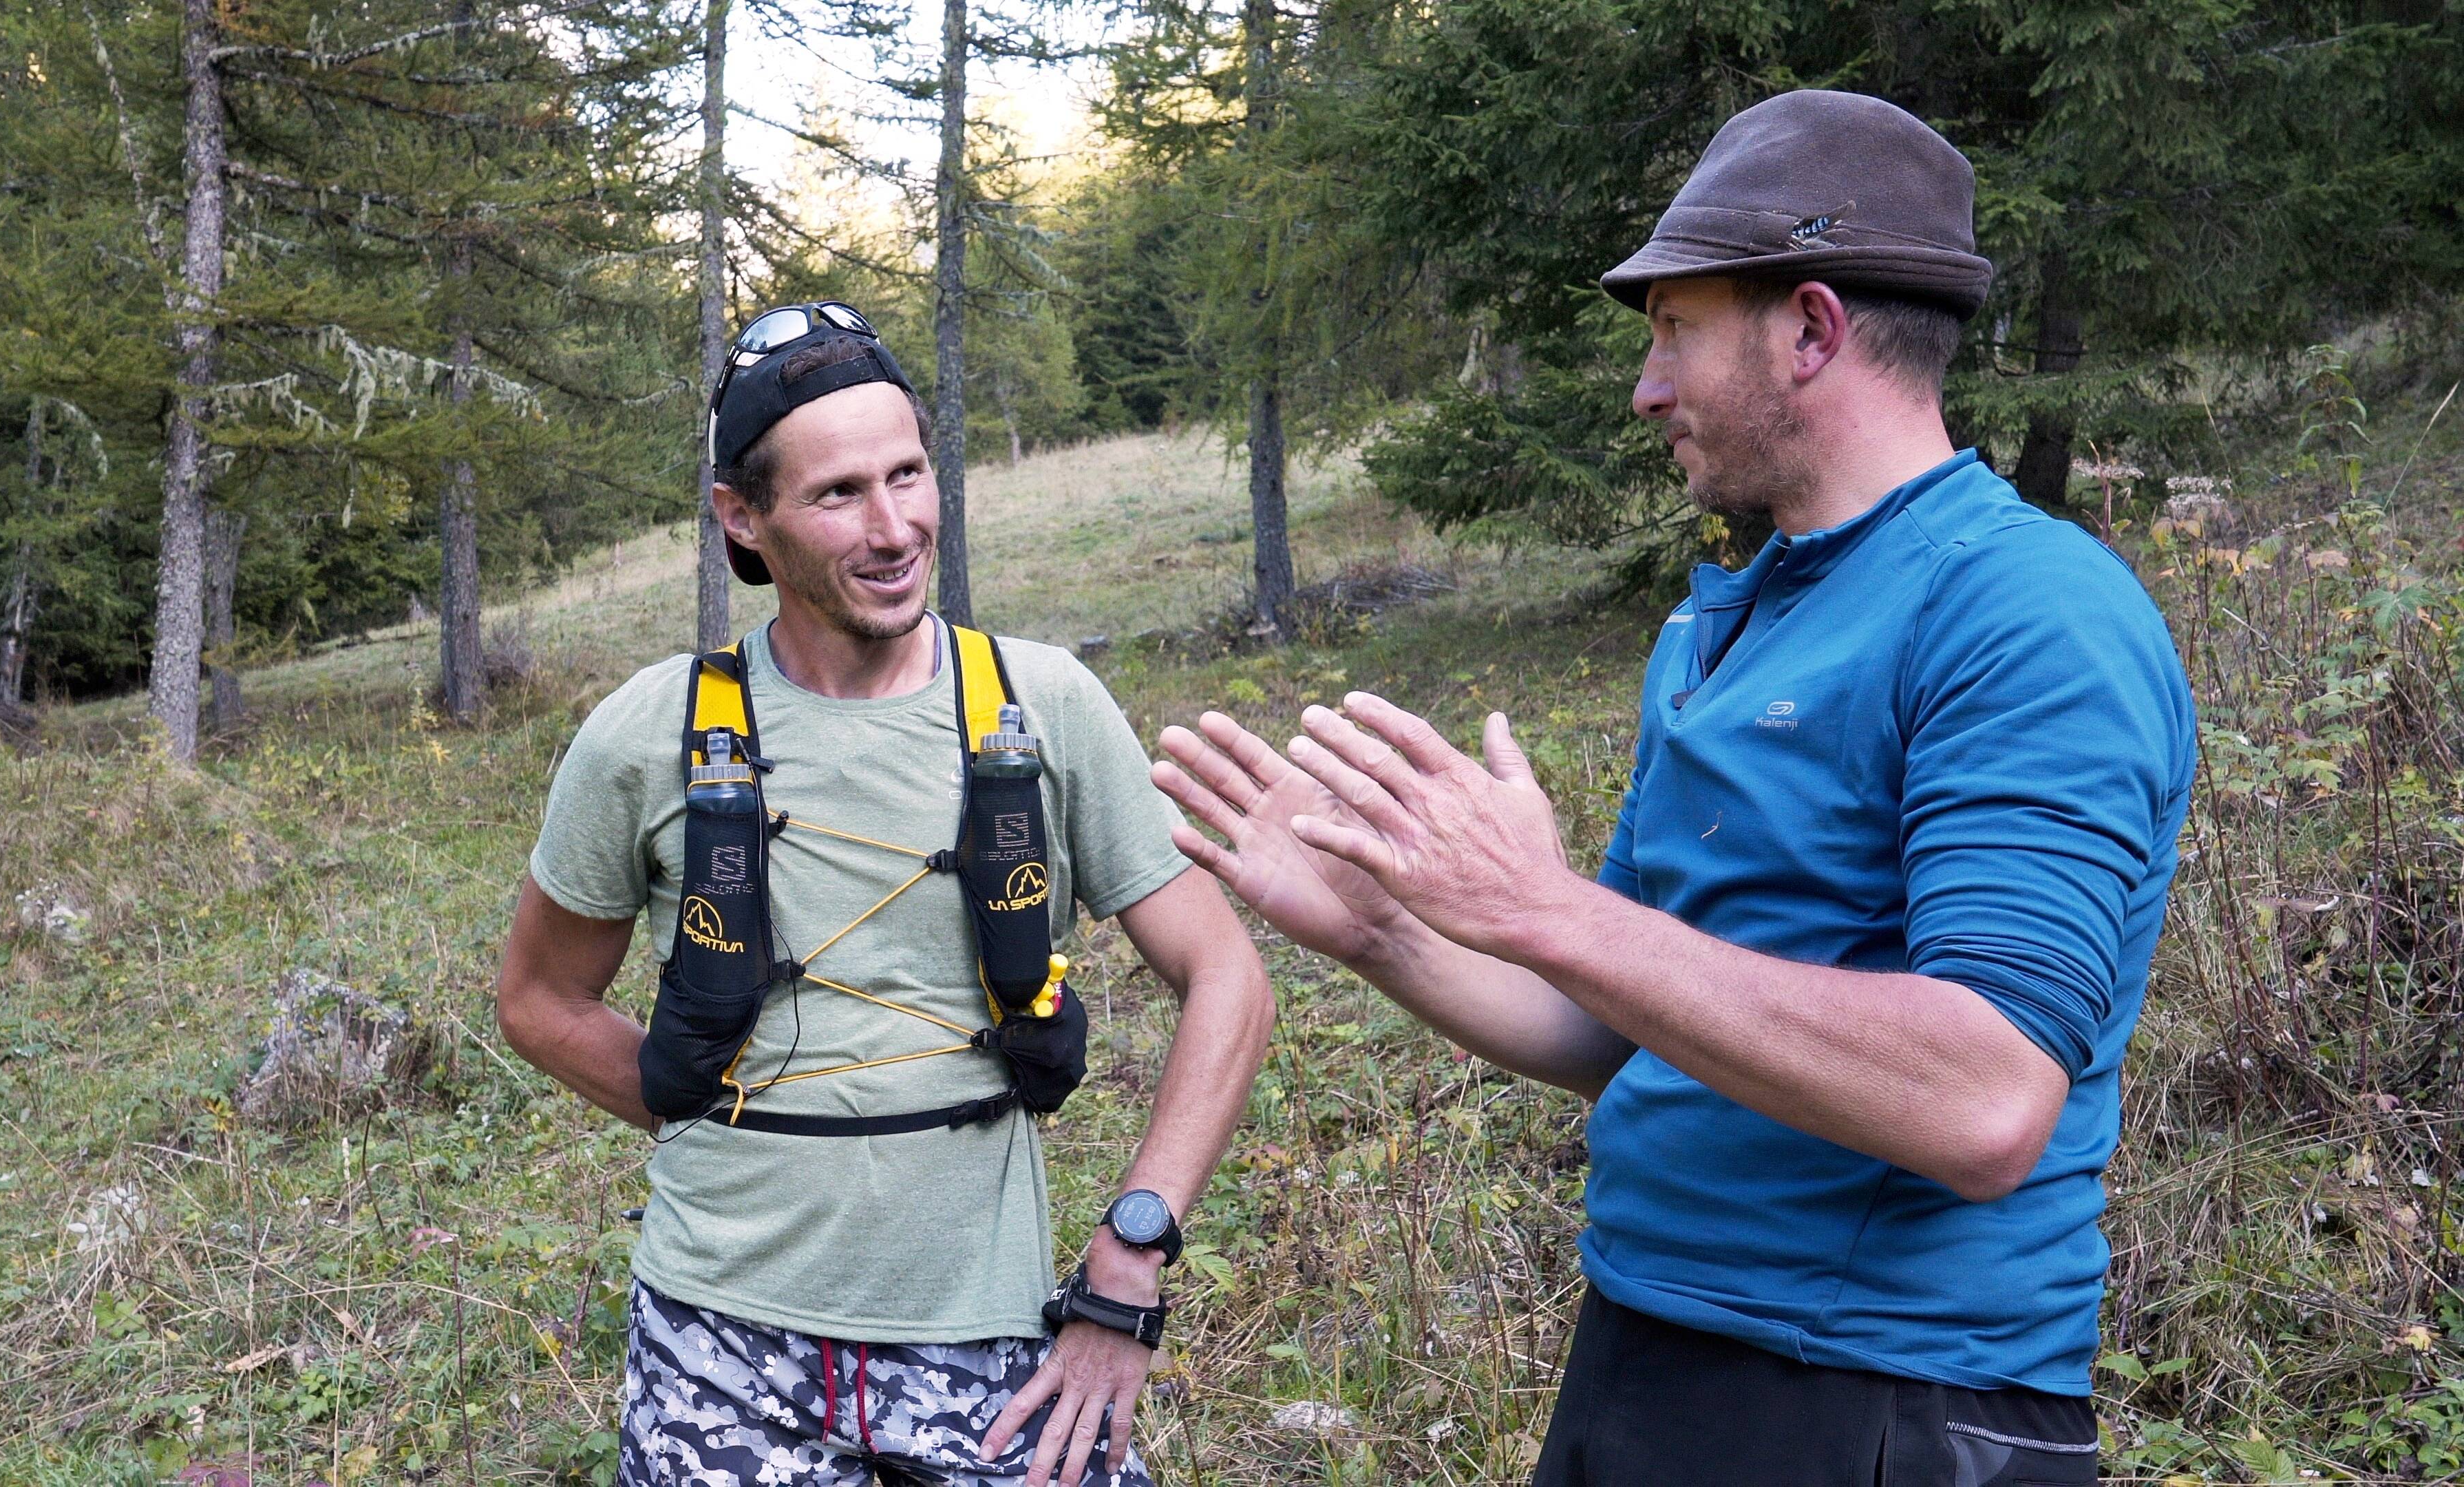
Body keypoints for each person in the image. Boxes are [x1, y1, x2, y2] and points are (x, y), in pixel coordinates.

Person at [1151, 91, 2194, 1486]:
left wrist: (1545, 908)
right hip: (1647, 1349)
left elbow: (1987, 1101)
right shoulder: (1729, 621)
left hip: (1887, 1402)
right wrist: (1385, 927)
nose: (1646, 387)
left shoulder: (2025, 609)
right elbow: (1616, 1028)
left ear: (1812, 330)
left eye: (1673, 330)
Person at [497, 300, 1274, 1487]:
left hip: (994, 1335)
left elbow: (1227, 979)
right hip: (717, 1343)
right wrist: (712, 1117)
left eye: (909, 473)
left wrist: (1131, 1257)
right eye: (839, 493)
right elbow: (540, 1000)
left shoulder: (1042, 704)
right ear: (741, 519)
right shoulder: (647, 736)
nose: (894, 526)